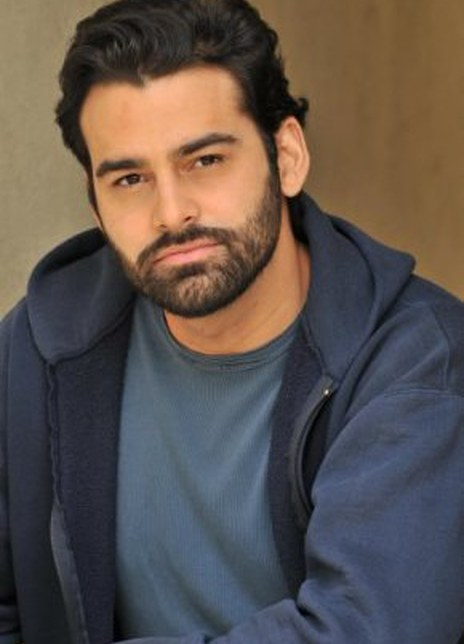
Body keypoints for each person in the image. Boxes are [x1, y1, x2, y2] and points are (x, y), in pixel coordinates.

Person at [1, 0, 464, 642]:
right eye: (130, 178)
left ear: (287, 156)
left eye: (206, 160)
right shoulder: (41, 345)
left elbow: (366, 629)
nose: (171, 212)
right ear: (95, 202)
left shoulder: (416, 362)